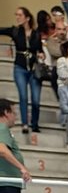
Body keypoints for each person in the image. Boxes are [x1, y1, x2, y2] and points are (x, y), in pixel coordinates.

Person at [1, 7, 43, 135]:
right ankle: (25, 123)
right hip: (20, 68)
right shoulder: (14, 31)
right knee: (23, 96)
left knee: (36, 100)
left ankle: (34, 123)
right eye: (16, 15)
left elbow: (40, 50)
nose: (17, 17)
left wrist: (41, 55)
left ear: (27, 18)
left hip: (34, 69)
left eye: (20, 15)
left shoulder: (36, 34)